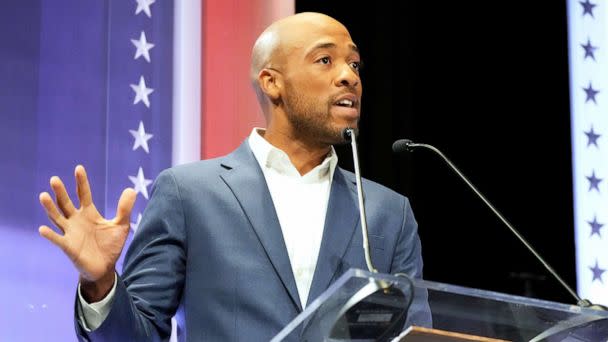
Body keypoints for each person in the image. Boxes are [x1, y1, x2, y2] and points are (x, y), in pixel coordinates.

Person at [39, 12, 424, 341]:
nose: (349, 77)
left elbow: (417, 333)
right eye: (325, 60)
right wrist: (101, 284)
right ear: (272, 82)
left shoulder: (388, 212)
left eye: (354, 64)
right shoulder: (189, 194)